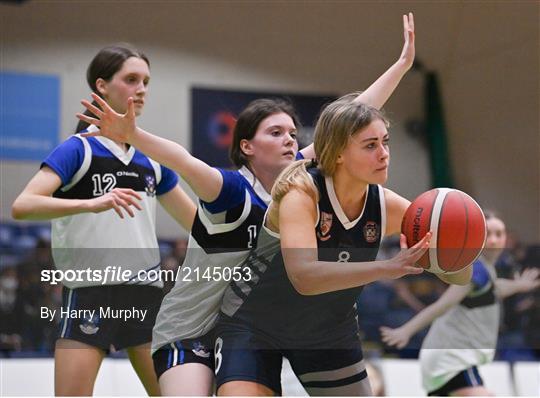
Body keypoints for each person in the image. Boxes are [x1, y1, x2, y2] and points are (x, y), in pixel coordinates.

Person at [78, 14, 419, 396]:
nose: (290, 140)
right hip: (190, 329)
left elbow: (350, 119)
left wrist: (401, 66)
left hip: (243, 324)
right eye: (275, 133)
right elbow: (183, 160)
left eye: (293, 133)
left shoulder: (297, 183)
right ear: (246, 147)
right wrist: (133, 134)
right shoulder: (229, 189)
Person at [214, 96, 471, 396]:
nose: (384, 154)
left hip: (326, 330)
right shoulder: (302, 193)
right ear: (338, 154)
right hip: (256, 324)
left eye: (385, 142)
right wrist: (386, 268)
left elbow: (460, 277)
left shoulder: (385, 205)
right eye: (370, 145)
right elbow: (304, 277)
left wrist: (456, 252)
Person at [11, 44, 196, 396]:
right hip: (90, 292)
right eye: (131, 79)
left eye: (146, 81)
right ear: (102, 85)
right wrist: (91, 204)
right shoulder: (77, 150)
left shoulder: (150, 161)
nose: (141, 89)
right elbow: (23, 206)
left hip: (145, 295)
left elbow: (198, 226)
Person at [380, 211, 540, 396]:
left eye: (500, 234)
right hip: (450, 358)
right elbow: (442, 305)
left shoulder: (487, 270)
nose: (495, 240)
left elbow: (494, 289)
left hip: (456, 359)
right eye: (489, 234)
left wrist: (519, 286)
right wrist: (406, 330)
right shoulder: (475, 270)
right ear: (477, 237)